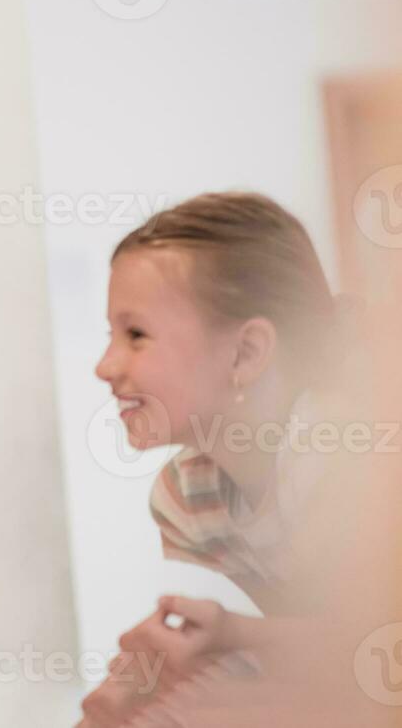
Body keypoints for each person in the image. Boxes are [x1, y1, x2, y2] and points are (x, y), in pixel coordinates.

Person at [80, 192, 349, 727]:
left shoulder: (337, 451)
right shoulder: (185, 495)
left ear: (246, 354)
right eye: (110, 334)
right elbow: (304, 642)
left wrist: (232, 636)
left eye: (136, 335)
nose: (105, 366)